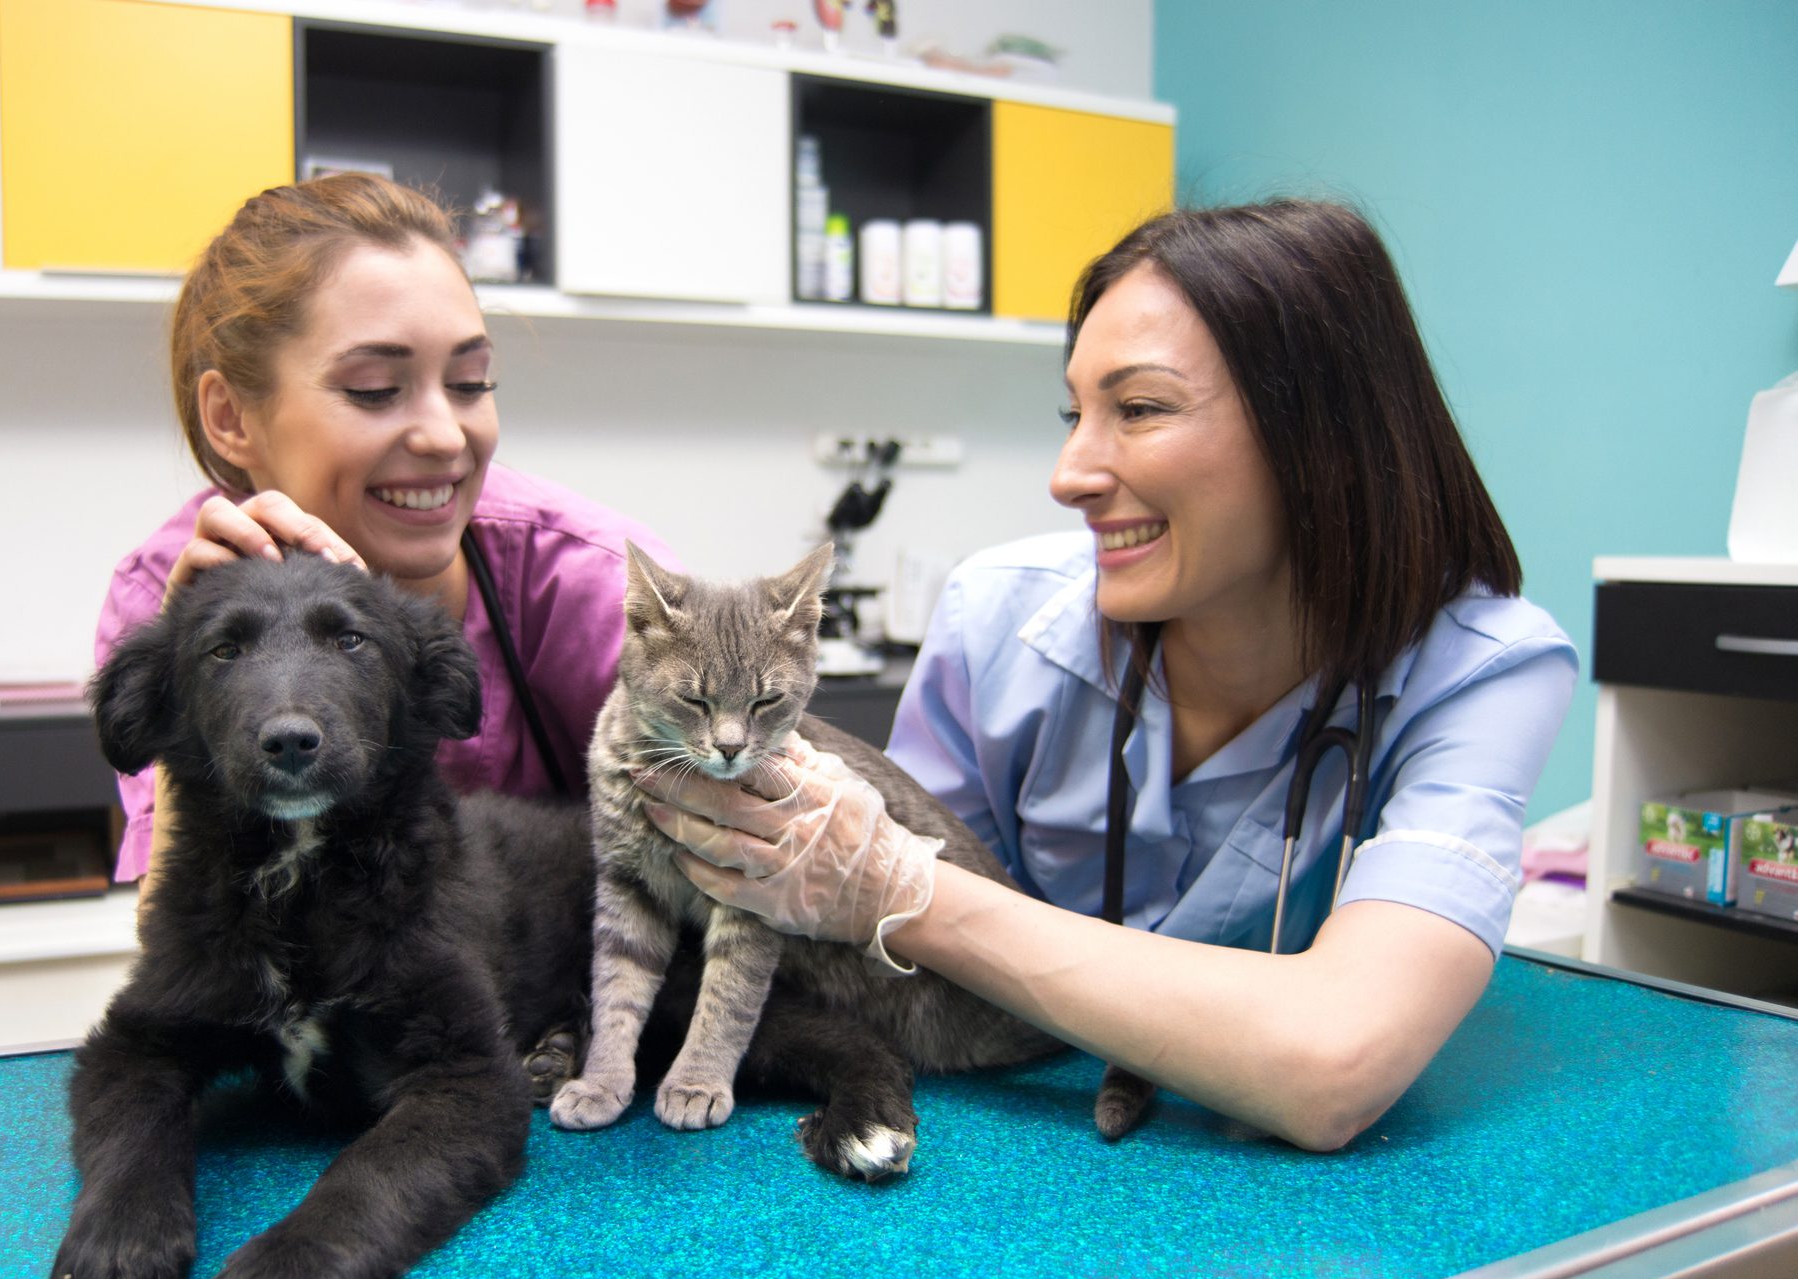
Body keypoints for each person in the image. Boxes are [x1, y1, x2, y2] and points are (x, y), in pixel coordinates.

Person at [634, 200, 1578, 1153]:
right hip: (1017, 1142)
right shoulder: (995, 620)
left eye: (1139, 408)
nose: (1068, 473)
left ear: (1321, 436)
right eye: (1073, 413)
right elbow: (902, 985)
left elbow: (1334, 1064)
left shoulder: (1483, 672)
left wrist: (900, 888)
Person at [94, 174, 674, 883]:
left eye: (470, 383)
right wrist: (189, 661)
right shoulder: (167, 594)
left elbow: (777, 839)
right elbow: (181, 915)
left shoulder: (590, 583)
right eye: (374, 390)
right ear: (230, 417)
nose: (444, 436)